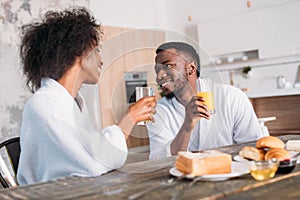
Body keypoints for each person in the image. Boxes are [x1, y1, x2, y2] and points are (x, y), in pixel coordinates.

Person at [17, 7, 156, 185]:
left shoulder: (70, 102)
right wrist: (130, 117)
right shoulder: (45, 104)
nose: (101, 60)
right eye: (97, 50)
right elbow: (95, 162)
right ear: (80, 53)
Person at [147, 42, 265, 160]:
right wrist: (187, 127)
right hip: (184, 176)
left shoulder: (232, 97)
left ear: (191, 68)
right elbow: (159, 160)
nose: (159, 76)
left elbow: (253, 147)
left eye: (168, 66)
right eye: (157, 70)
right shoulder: (158, 111)